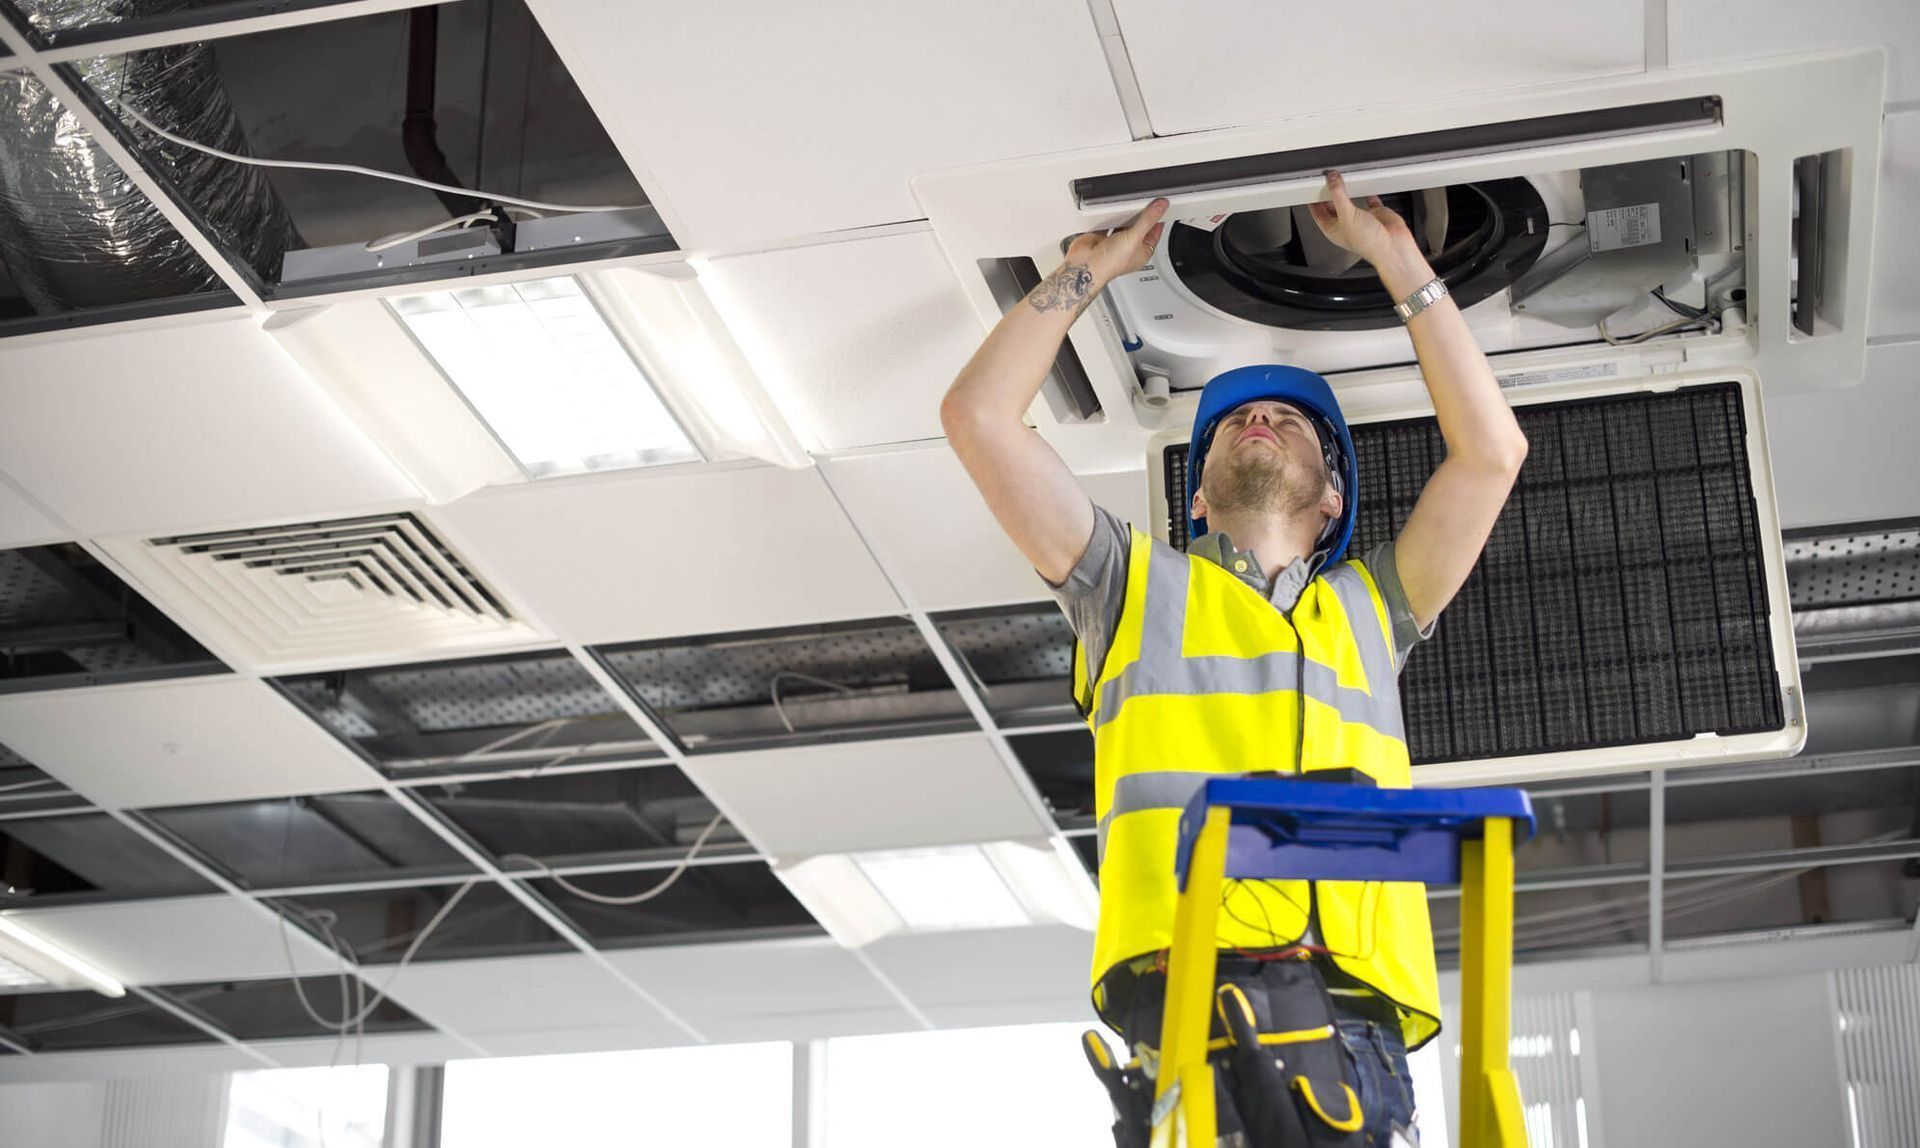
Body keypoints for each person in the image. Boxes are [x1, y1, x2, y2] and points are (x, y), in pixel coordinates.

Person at [939, 171, 1530, 1147]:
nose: (1259, 420)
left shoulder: (1374, 606)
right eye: (1230, 425)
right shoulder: (1128, 586)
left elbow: (1491, 455)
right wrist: (1078, 277)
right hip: (1190, 1008)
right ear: (1200, 497)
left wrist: (1400, 261)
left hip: (1355, 1034)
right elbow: (980, 418)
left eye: (1292, 421)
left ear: (1332, 500)